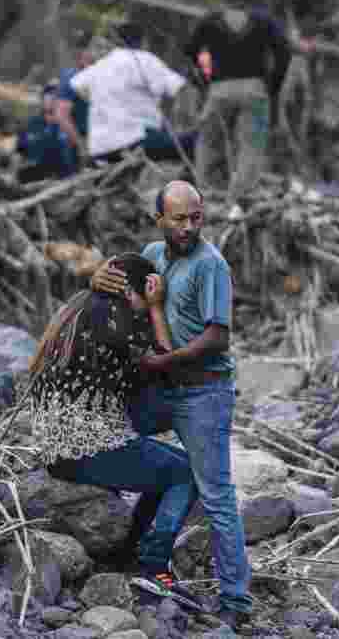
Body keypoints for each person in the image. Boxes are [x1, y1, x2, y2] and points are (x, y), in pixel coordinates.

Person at [90, 177, 252, 630]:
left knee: (217, 495)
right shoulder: (153, 255)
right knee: (108, 436)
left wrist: (161, 362)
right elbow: (119, 292)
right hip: (162, 391)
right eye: (178, 219)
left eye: (196, 218)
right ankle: (140, 552)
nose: (188, 227)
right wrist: (97, 276)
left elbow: (218, 337)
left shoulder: (211, 265)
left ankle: (236, 600)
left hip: (204, 393)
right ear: (159, 219)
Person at [28, 253, 204, 612]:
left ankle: (128, 553)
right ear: (138, 292)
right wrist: (155, 311)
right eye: (149, 296)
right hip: (83, 444)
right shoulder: (116, 317)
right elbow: (170, 368)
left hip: (63, 441)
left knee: (172, 466)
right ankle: (154, 569)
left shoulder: (81, 309)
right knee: (185, 472)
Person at [184, 0, 291, 218]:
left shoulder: (210, 21)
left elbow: (190, 51)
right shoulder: (264, 22)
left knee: (209, 145)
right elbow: (284, 53)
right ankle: (239, 202)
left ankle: (206, 200)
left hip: (219, 90)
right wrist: (272, 86)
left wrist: (203, 80)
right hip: (254, 90)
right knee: (250, 148)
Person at [69, 23, 196, 165]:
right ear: (143, 41)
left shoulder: (102, 64)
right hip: (136, 141)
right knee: (196, 141)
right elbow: (180, 88)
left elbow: (77, 86)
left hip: (101, 148)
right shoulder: (144, 59)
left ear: (116, 42)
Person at [53, 30, 99, 171]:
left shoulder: (104, 75)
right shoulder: (71, 77)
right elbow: (61, 115)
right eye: (95, 48)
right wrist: (81, 144)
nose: (99, 53)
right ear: (82, 52)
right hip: (78, 142)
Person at [17, 83, 75, 183]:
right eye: (48, 96)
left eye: (55, 96)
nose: (51, 100)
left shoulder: (70, 124)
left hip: (63, 177)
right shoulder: (33, 124)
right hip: (35, 176)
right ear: (42, 99)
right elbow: (20, 150)